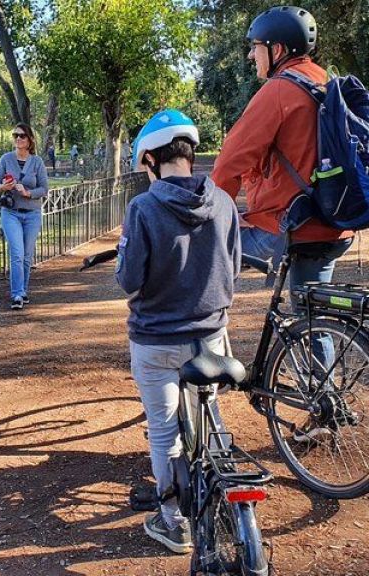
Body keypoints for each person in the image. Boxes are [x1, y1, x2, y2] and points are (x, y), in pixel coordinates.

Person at [118, 109, 240, 554]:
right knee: (212, 416)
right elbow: (234, 269)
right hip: (211, 337)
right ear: (189, 154)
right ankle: (227, 492)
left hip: (156, 341)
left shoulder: (144, 207)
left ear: (150, 159)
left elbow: (129, 279)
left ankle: (175, 523)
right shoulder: (224, 201)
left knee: (165, 432)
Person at [211, 5, 352, 294]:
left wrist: (217, 214)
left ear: (277, 49)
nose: (251, 55)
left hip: (292, 225)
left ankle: (200, 333)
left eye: (255, 47)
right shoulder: (327, 81)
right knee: (313, 318)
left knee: (201, 254)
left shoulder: (277, 91)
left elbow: (230, 161)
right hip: (338, 222)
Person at [0, 123, 49, 310]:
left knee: (26, 256)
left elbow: (44, 188)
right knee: (16, 253)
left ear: (30, 139)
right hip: (11, 213)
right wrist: (3, 187)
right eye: (15, 135)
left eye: (22, 136)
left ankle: (23, 291)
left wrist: (27, 193)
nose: (18, 139)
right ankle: (16, 294)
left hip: (32, 213)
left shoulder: (37, 162)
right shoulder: (6, 159)